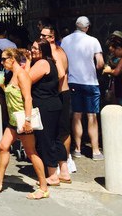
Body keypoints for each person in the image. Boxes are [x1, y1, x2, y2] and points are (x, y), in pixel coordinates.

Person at [0, 48, 49, 199]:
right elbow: (13, 94)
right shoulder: (12, 75)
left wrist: (28, 120)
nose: (2, 62)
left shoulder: (22, 75)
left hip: (22, 120)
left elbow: (28, 98)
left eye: (4, 59)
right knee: (3, 146)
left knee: (31, 153)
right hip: (14, 120)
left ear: (13, 59)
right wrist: (3, 86)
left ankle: (43, 188)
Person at [62, 16, 104, 160]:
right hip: (90, 82)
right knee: (92, 116)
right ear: (87, 28)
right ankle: (95, 151)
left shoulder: (65, 41)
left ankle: (78, 149)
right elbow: (100, 63)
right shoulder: (93, 41)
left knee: (77, 115)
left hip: (73, 82)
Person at [30, 37, 65, 186]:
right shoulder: (51, 63)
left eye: (35, 49)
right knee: (55, 138)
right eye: (32, 47)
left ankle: (52, 175)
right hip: (53, 104)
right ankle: (63, 172)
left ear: (43, 51)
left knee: (46, 140)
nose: (32, 51)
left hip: (44, 105)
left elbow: (27, 79)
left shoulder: (43, 63)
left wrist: (24, 67)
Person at [41, 24, 72, 182]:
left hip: (59, 93)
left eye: (45, 36)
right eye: (41, 35)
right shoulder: (60, 50)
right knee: (61, 132)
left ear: (52, 38)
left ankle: (62, 166)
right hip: (63, 93)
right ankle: (64, 167)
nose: (41, 38)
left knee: (58, 133)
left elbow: (60, 73)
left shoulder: (53, 51)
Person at [102, 31, 122, 158]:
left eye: (115, 50)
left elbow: (117, 71)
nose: (113, 52)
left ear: (120, 48)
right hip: (119, 91)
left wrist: (110, 70)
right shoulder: (118, 57)